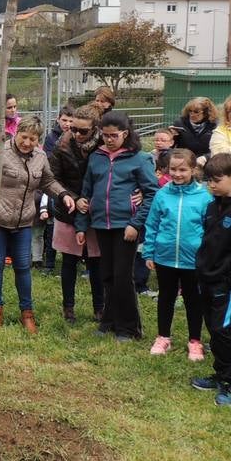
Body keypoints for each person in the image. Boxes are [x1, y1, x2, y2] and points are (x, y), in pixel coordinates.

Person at [0, 115, 74, 333]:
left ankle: (27, 313)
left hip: (24, 221)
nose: (27, 143)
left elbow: (47, 181)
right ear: (17, 133)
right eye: (24, 136)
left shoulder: (40, 156)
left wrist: (63, 194)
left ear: (39, 140)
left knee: (23, 267)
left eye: (33, 139)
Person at [75, 111, 158, 341]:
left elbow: (151, 193)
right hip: (102, 223)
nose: (109, 140)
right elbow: (86, 193)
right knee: (108, 275)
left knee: (123, 276)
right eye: (105, 135)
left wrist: (135, 224)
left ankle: (130, 328)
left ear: (125, 134)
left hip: (126, 226)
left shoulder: (139, 158)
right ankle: (109, 321)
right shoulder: (96, 158)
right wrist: (82, 226)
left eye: (114, 135)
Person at [190, 153, 231, 407]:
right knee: (212, 329)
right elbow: (208, 241)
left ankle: (227, 381)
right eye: (209, 181)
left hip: (225, 285)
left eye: (217, 180)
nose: (211, 185)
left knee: (222, 331)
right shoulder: (211, 205)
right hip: (204, 279)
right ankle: (218, 373)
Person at [143, 148, 211, 359]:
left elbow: (210, 228)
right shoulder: (162, 194)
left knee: (193, 300)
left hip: (193, 260)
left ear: (193, 169)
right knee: (166, 297)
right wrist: (149, 252)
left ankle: (195, 341)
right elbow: (152, 224)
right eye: (173, 169)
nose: (177, 174)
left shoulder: (204, 197)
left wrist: (207, 255)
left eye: (182, 169)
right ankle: (163, 337)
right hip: (165, 257)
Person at [50, 106, 104, 323]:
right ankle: (68, 307)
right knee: (69, 261)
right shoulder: (61, 145)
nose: (77, 135)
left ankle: (100, 307)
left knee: (96, 262)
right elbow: (53, 178)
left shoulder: (104, 146)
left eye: (83, 131)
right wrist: (70, 196)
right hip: (69, 209)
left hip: (96, 210)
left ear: (95, 129)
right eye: (73, 129)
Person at [170, 97, 217, 164]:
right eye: (190, 111)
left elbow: (217, 148)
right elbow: (170, 146)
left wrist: (206, 157)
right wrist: (170, 135)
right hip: (183, 160)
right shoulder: (180, 123)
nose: (192, 114)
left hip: (206, 161)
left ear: (206, 113)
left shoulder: (214, 125)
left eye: (196, 112)